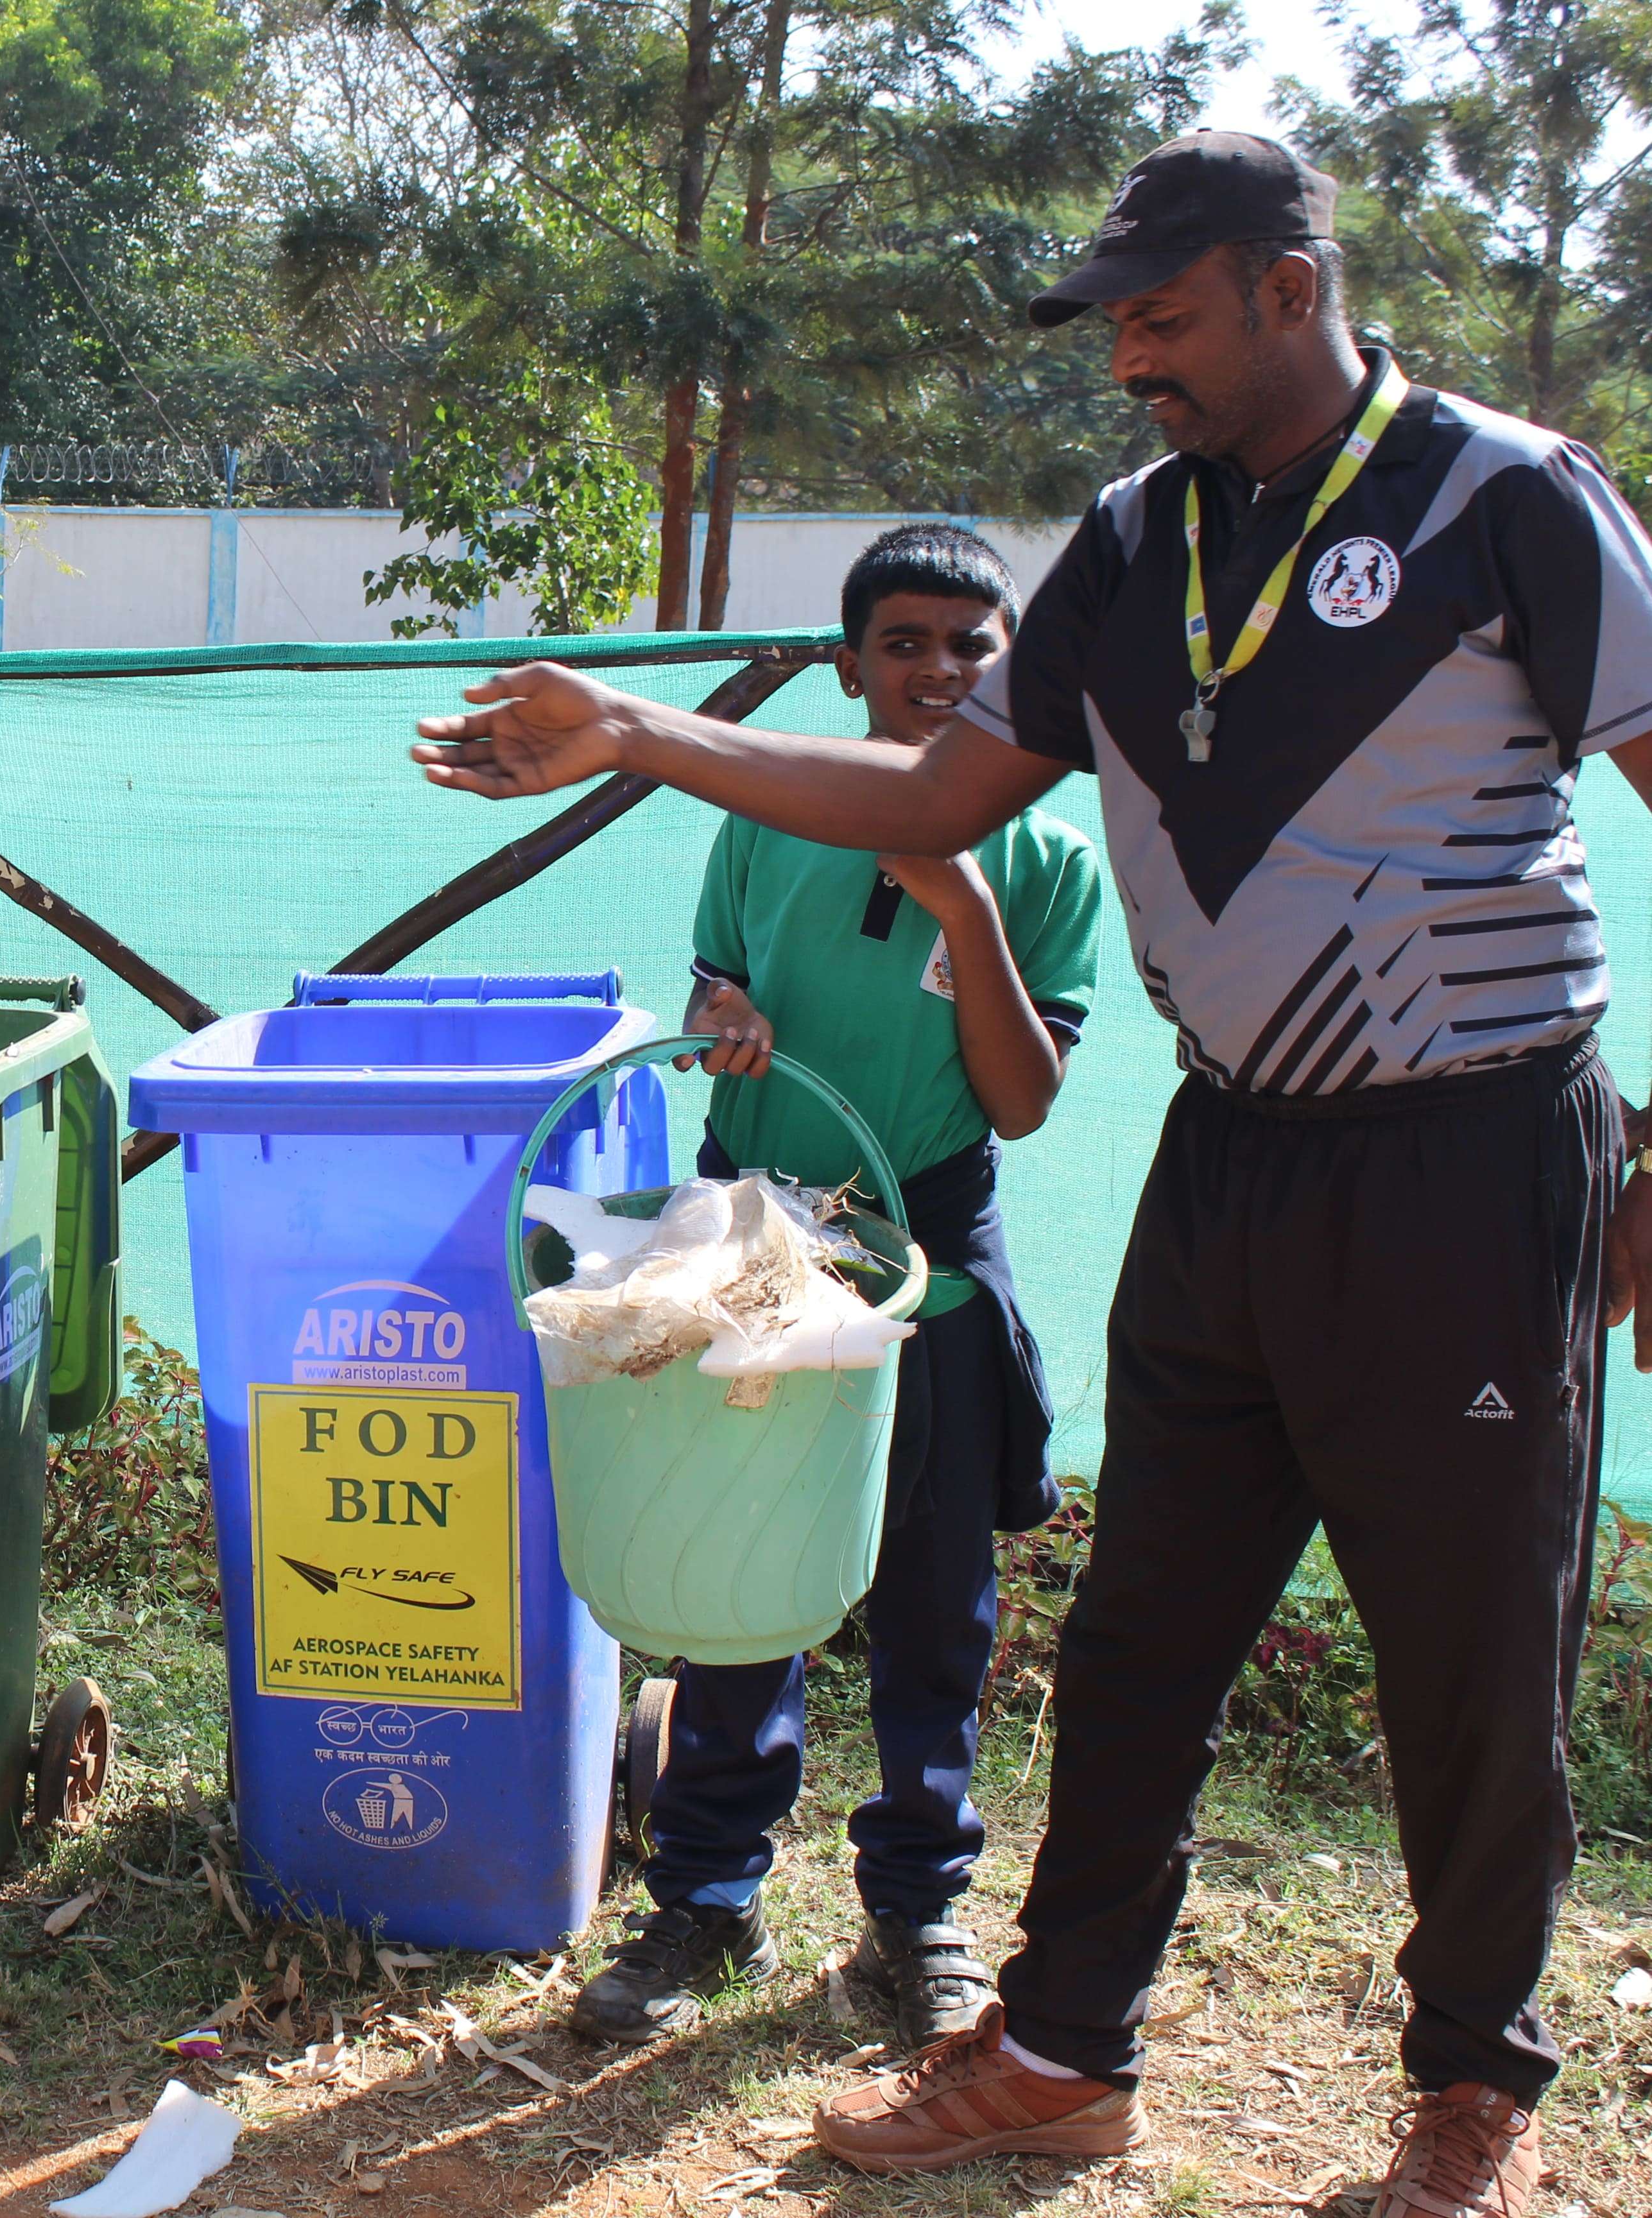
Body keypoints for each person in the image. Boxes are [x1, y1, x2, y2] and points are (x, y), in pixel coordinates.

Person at [413, 130, 1652, 2218]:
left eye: (1158, 321)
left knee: (1469, 1652)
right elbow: (931, 782)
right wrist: (637, 731)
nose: (1126, 366)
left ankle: (1468, 2089)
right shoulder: (1125, 540)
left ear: (1285, 287)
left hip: (1466, 1155)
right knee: (1138, 1627)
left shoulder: (1502, 494)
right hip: (1230, 1155)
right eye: (1111, 329)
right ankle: (1064, 2046)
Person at [565, 525, 1105, 2054]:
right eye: (906, 644)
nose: (938, 671)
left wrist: (961, 904)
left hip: (925, 1245)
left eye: (970, 646)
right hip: (753, 1233)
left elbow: (1020, 1099)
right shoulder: (764, 816)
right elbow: (713, 984)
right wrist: (721, 1015)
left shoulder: (1047, 856)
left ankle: (918, 1912)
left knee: (937, 1590)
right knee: (742, 1555)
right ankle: (707, 1894)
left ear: (1011, 666)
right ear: (849, 663)